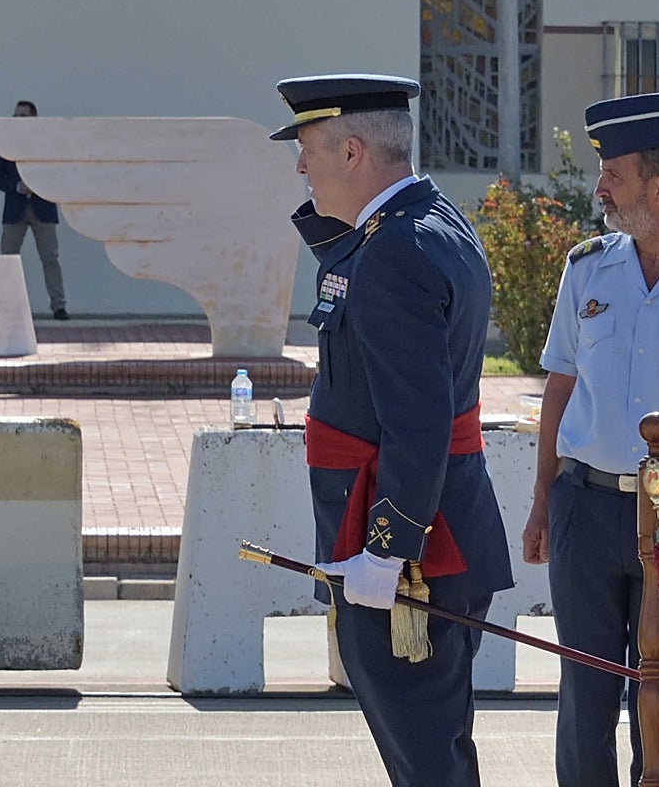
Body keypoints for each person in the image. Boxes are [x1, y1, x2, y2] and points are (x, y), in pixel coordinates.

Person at [271, 74, 513, 786]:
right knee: (435, 745)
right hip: (439, 524)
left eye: (308, 149)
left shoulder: (393, 252)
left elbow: (417, 419)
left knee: (426, 758)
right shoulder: (429, 223)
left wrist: (387, 549)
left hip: (412, 552)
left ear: (351, 151)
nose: (300, 166)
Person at [522, 90, 659, 787]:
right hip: (588, 507)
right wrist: (542, 502)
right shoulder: (587, 268)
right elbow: (560, 387)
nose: (599, 188)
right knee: (585, 690)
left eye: (613, 175)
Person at [0, 100, 70, 319]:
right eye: (15, 116)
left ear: (34, 119)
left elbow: (57, 174)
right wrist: (17, 187)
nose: (18, 120)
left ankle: (59, 306)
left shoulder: (46, 145)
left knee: (50, 259)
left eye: (23, 116)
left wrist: (38, 186)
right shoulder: (5, 145)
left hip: (43, 209)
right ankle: (8, 307)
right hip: (14, 210)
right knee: (8, 260)